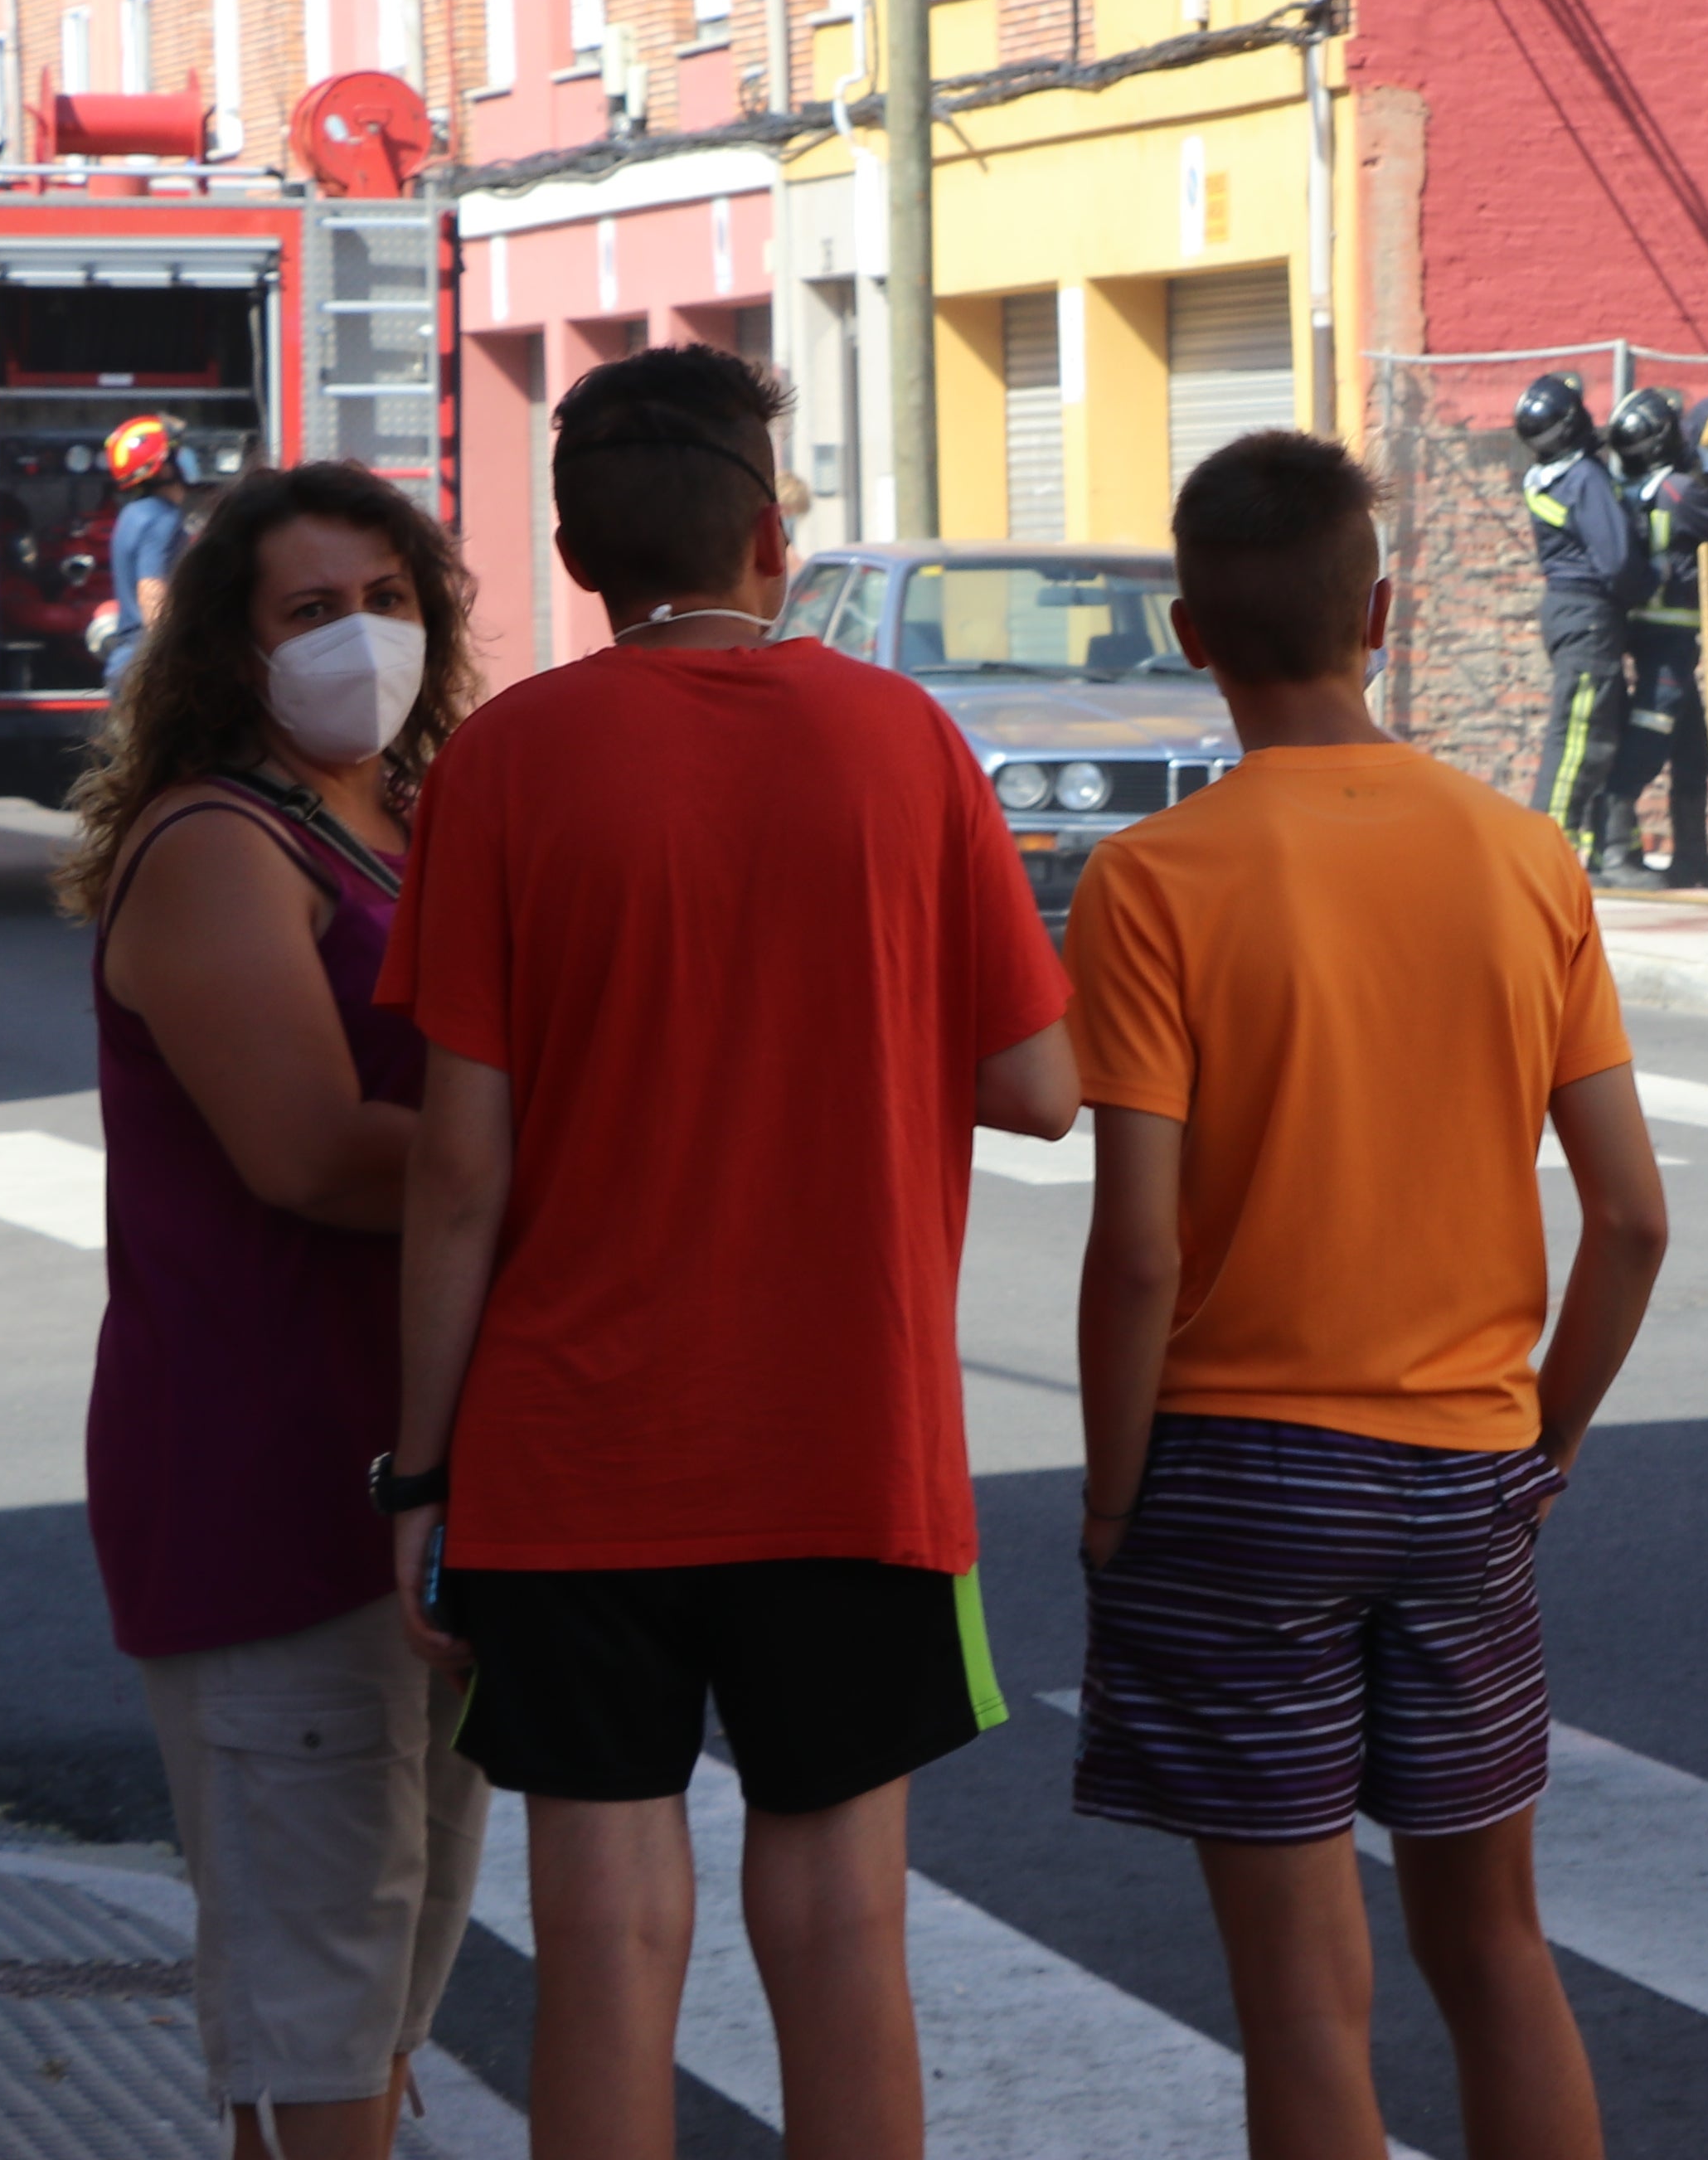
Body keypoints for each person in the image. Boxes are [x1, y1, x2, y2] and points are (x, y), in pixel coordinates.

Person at [380, 346, 1082, 2160]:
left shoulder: (504, 762)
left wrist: (419, 1470)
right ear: (773, 534)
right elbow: (1038, 1085)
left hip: (569, 1453)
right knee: (843, 1922)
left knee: (607, 1936)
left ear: (577, 549)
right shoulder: (905, 740)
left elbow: (461, 1166)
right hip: (845, 1437)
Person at [1068, 428, 1670, 2160]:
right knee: (1495, 1944)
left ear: (1189, 631)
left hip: (1235, 1474)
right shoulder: (1524, 855)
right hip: (1466, 1466)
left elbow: (1140, 1248)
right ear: (1383, 611)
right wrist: (1540, 1431)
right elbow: (1629, 1218)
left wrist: (1115, 1497)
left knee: (1303, 2001)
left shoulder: (1155, 880)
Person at [65, 461, 488, 2160]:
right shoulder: (218, 843)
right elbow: (310, 1152)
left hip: (420, 1472)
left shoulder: (402, 813)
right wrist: (578, 1156)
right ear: (234, 655)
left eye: (390, 599)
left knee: (387, 1982)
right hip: (268, 1478)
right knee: (323, 1983)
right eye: (313, 611)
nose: (363, 638)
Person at [1599, 386, 1708, 892]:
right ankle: (1615, 847)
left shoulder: (1635, 486)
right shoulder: (1679, 491)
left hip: (1653, 631)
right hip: (1672, 637)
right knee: (1650, 738)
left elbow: (1690, 427)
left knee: (1691, 749)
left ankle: (1692, 858)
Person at [1513, 375, 1647, 872]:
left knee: (1596, 731)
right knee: (1578, 738)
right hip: (1590, 615)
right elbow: (1616, 560)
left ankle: (1602, 848)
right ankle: (1547, 854)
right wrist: (1647, 583)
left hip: (1570, 612)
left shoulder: (1550, 474)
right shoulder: (1585, 479)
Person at [100, 413, 192, 685]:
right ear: (162, 468)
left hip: (128, 661)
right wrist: (177, 660)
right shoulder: (162, 518)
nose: (186, 460)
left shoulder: (133, 514)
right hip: (150, 665)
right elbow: (151, 592)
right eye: (175, 453)